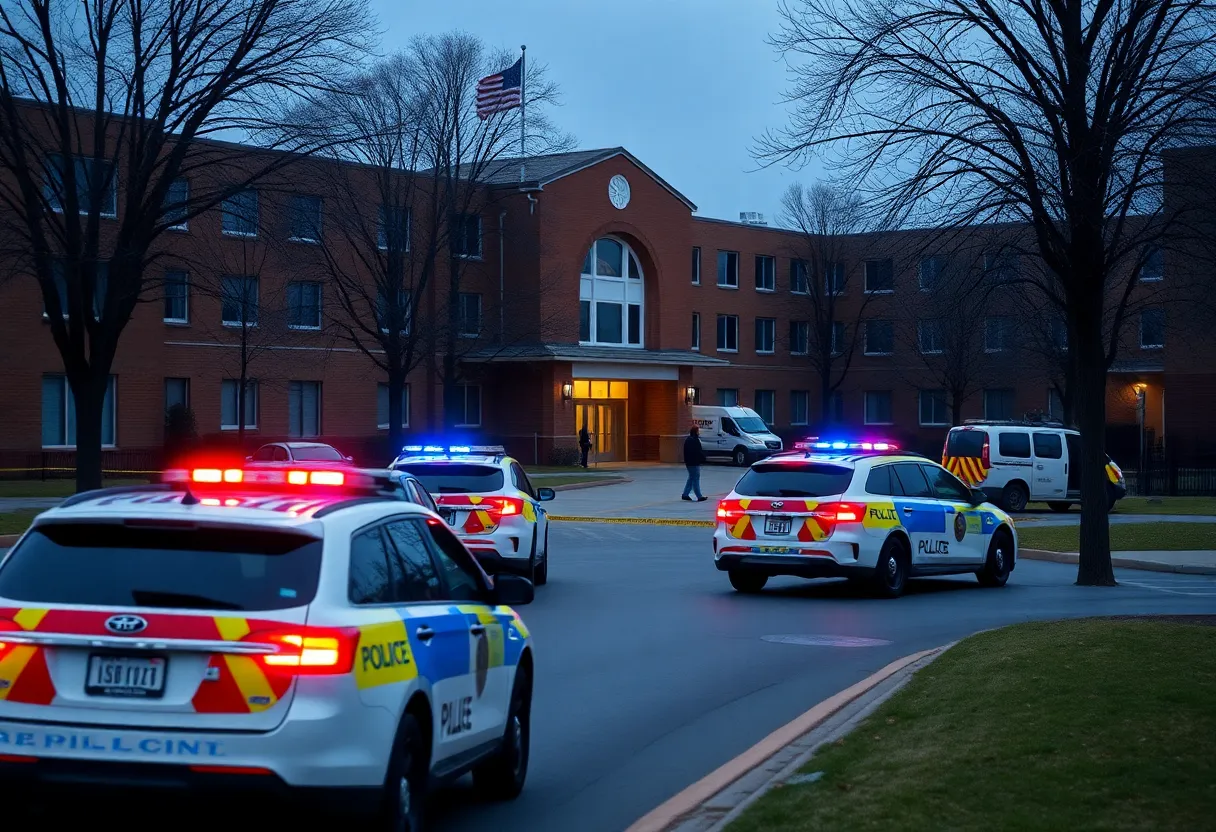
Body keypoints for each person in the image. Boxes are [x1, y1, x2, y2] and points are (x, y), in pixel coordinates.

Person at [682, 425, 707, 501]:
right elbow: (697, 451)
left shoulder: (688, 440)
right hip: (694, 463)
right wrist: (703, 458)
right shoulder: (694, 440)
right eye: (698, 431)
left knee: (691, 478)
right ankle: (699, 496)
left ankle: (685, 494)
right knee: (695, 478)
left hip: (689, 462)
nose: (699, 432)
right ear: (696, 432)